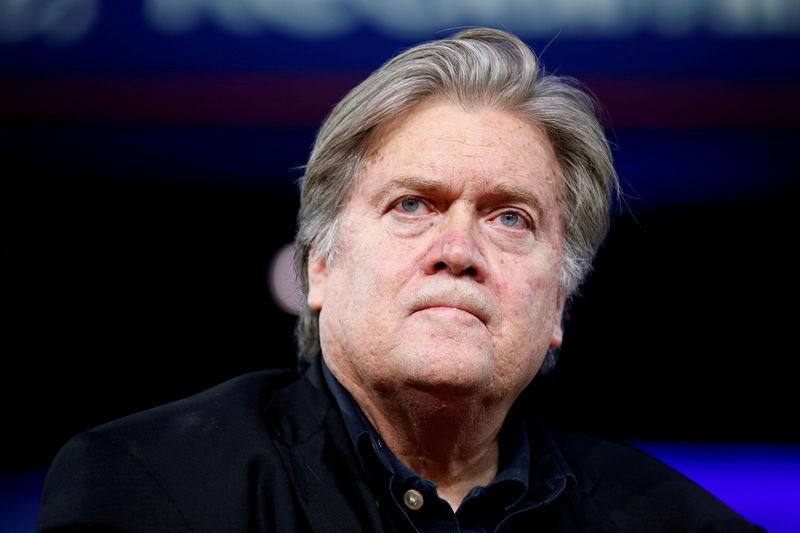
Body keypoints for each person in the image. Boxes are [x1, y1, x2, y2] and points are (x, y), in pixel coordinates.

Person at [37, 28, 763, 532]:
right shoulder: (150, 487)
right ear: (320, 264)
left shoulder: (682, 524)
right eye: (412, 204)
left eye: (511, 219)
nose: (459, 249)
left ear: (559, 305)